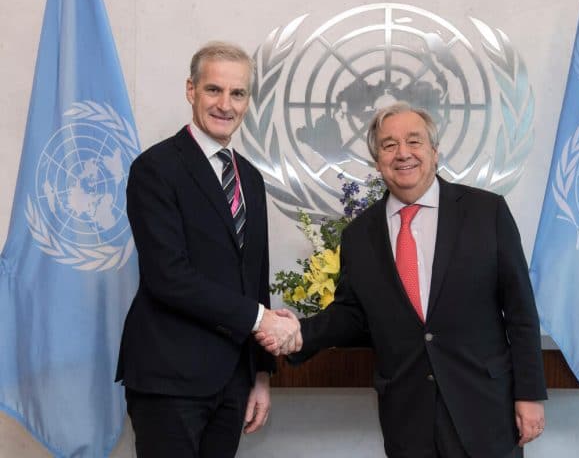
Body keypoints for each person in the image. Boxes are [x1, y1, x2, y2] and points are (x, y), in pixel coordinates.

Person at [258, 102, 547, 458]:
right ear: (377, 161)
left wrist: (529, 394)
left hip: (486, 409)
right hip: (408, 416)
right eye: (389, 145)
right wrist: (301, 333)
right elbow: (353, 314)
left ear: (434, 152)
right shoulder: (359, 235)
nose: (403, 154)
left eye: (414, 141)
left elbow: (520, 311)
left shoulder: (487, 212)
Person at [116, 41, 300, 458]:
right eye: (214, 90)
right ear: (190, 90)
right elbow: (168, 276)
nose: (225, 104)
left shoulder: (250, 177)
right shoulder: (155, 168)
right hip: (169, 379)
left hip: (233, 380)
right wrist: (261, 320)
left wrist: (260, 374)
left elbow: (254, 276)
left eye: (237, 93)